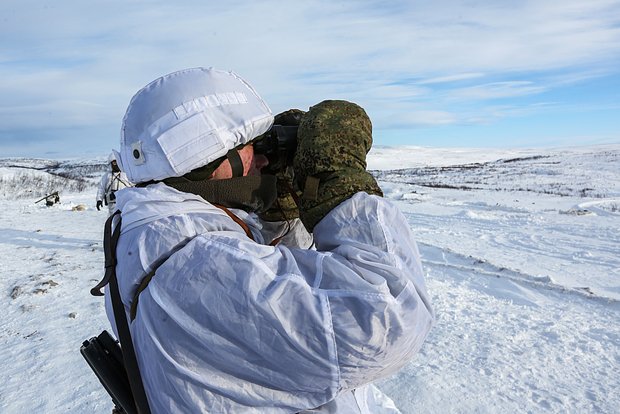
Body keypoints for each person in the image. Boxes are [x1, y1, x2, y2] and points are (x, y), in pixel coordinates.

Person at [105, 67, 434, 413]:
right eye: (250, 147)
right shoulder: (194, 267)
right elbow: (388, 319)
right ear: (203, 158)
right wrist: (339, 185)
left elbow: (281, 290)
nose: (262, 160)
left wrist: (280, 218)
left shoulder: (149, 234)